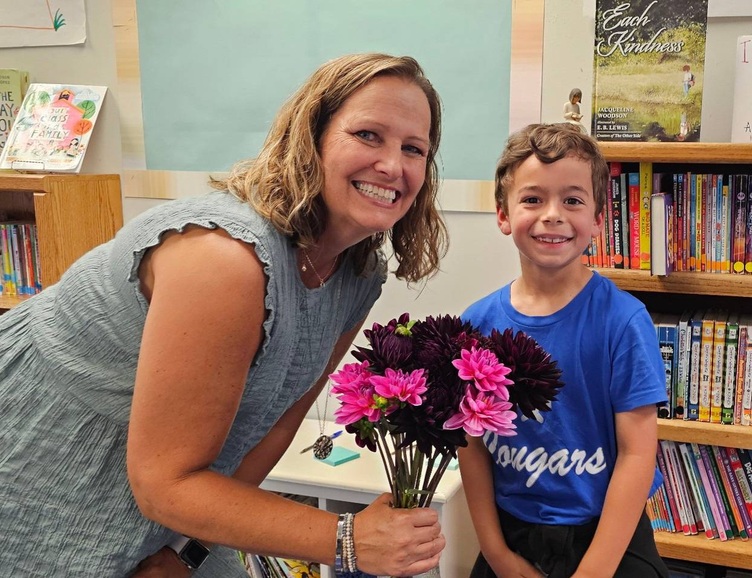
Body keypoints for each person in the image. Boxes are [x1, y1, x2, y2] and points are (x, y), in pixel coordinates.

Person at [0, 53, 449, 577]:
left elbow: (274, 425)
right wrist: (347, 538)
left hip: (165, 498)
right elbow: (165, 484)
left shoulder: (357, 274)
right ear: (312, 138)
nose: (393, 166)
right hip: (38, 471)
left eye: (413, 148)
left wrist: (186, 553)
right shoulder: (226, 258)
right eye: (369, 135)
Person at [458, 123, 669, 578]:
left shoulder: (624, 321)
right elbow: (470, 447)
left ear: (597, 220)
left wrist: (594, 571)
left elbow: (637, 453)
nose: (552, 215)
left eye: (572, 200)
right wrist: (497, 555)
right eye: (532, 199)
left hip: (607, 535)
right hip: (512, 535)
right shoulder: (475, 325)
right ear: (503, 215)